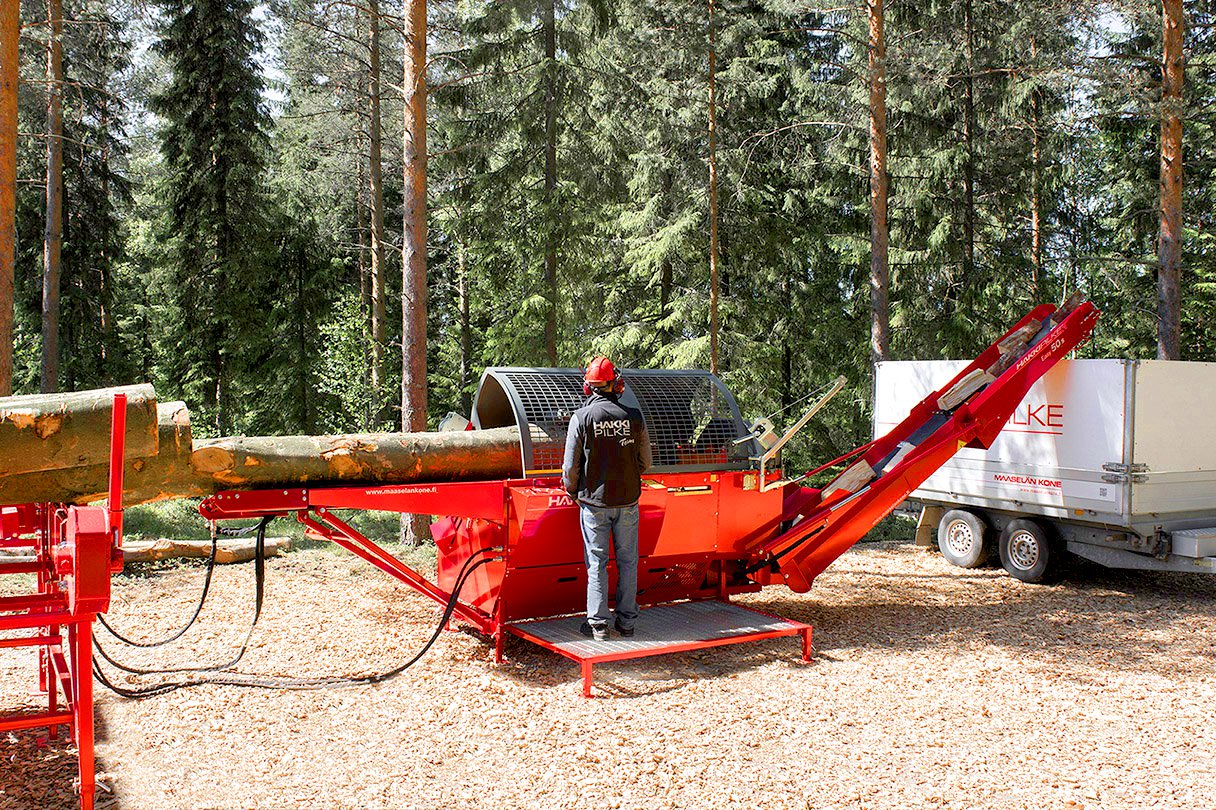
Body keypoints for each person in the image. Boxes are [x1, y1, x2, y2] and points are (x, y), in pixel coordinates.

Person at [562, 356, 652, 641]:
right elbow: (645, 462)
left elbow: (570, 467)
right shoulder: (635, 418)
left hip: (594, 504)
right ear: (616, 385)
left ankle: (598, 626)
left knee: (597, 563)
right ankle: (627, 623)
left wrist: (572, 491)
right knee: (628, 561)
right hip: (628, 502)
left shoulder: (581, 418)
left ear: (588, 387)